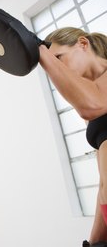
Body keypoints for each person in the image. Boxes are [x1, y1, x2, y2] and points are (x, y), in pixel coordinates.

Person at [38, 27, 107, 246]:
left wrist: (41, 53)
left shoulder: (94, 103)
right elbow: (103, 182)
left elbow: (92, 105)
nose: (56, 70)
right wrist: (93, 242)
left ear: (83, 44)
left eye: (59, 58)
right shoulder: (92, 108)